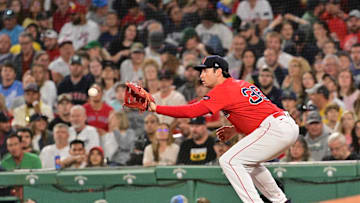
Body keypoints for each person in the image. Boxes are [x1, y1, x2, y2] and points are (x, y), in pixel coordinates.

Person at [149, 55, 298, 202]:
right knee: (249, 162)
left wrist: (156, 108)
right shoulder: (240, 84)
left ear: (218, 71)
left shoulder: (223, 89)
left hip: (275, 128)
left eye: (205, 71)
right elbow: (255, 114)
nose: (201, 75)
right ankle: (280, 201)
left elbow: (191, 111)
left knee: (229, 160)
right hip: (283, 125)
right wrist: (235, 129)